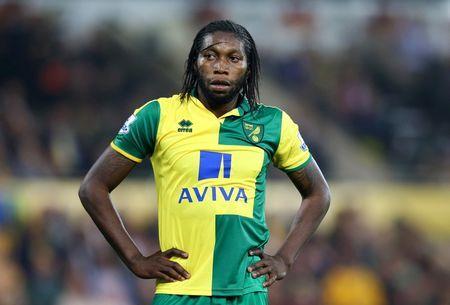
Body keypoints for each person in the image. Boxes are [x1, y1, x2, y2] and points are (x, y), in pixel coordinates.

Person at [78, 20, 330, 305]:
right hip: (179, 290)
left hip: (246, 292)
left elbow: (318, 193)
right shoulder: (158, 116)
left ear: (249, 68)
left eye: (233, 58)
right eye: (210, 55)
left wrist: (285, 257)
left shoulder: (273, 124)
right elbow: (93, 187)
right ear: (194, 62)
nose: (220, 66)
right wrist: (135, 258)